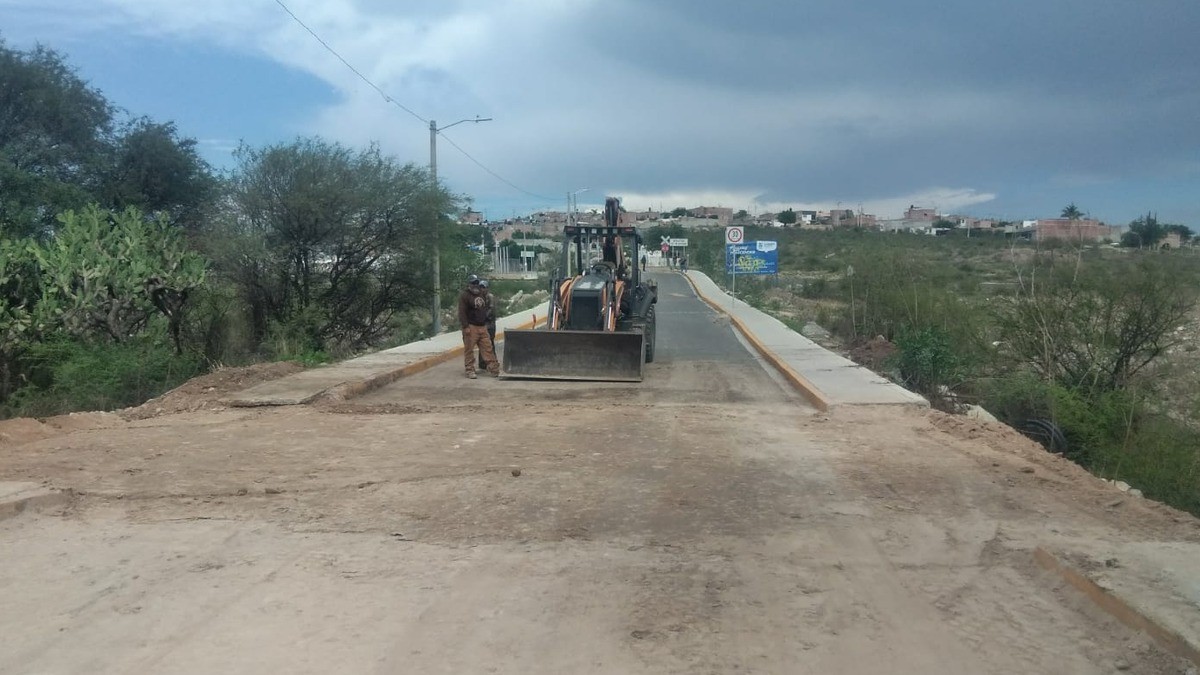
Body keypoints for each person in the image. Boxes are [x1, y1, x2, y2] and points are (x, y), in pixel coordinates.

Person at [458, 275, 499, 379]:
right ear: (469, 284)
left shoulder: (481, 294)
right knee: (469, 350)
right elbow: (462, 312)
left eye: (477, 283)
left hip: (482, 326)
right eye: (473, 283)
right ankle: (470, 370)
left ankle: (493, 368)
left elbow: (487, 306)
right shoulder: (465, 296)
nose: (475, 285)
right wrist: (465, 326)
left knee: (488, 348)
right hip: (471, 326)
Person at [476, 279, 498, 370]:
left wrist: (483, 317)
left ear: (487, 288)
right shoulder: (478, 298)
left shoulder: (490, 297)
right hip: (482, 324)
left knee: (490, 344)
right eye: (480, 287)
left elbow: (491, 310)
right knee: (481, 343)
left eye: (483, 287)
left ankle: (494, 363)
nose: (482, 289)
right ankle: (482, 364)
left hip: (489, 324)